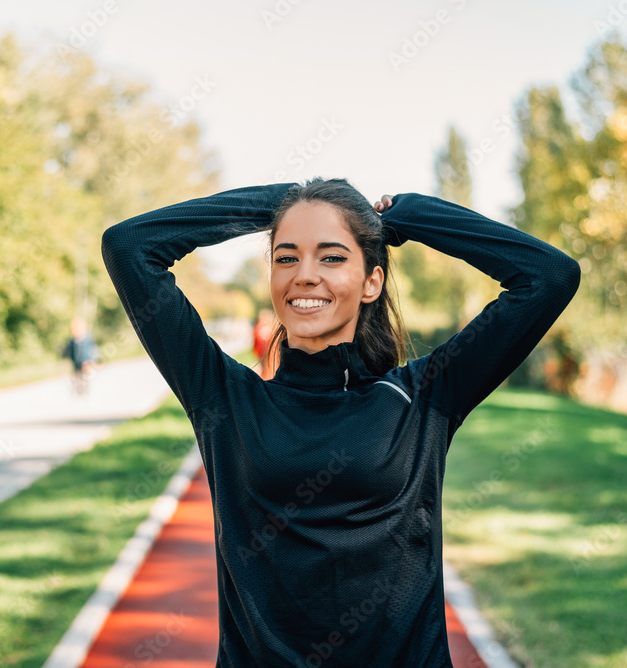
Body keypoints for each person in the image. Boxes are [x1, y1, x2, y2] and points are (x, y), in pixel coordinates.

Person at [101, 177, 580, 666]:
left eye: (331, 256)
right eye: (286, 257)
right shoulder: (224, 398)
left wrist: (411, 215)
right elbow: (129, 246)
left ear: (372, 282)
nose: (305, 275)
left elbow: (549, 276)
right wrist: (281, 203)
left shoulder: (425, 396)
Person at [62, 316, 99, 395]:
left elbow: (91, 348)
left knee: (86, 376)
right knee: (78, 377)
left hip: (86, 360)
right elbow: (71, 351)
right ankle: (80, 390)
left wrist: (92, 359)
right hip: (76, 362)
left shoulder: (87, 337)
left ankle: (85, 389)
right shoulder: (72, 340)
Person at [252, 308, 277, 380]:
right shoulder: (259, 327)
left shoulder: (271, 327)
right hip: (262, 352)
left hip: (268, 352)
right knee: (264, 368)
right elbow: (258, 339)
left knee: (268, 368)